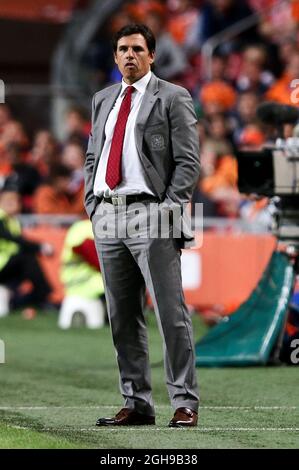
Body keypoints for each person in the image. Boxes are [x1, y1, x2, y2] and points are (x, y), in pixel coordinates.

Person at [84, 23, 200, 427]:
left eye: (137, 49)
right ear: (114, 57)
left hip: (152, 212)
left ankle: (184, 402)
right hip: (108, 214)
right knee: (122, 316)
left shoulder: (173, 96)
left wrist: (168, 208)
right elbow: (92, 157)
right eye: (122, 49)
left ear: (151, 55)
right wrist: (92, 204)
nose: (129, 55)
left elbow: (188, 162)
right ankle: (137, 404)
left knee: (171, 313)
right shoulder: (101, 100)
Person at [0, 183, 53, 312]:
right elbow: (12, 238)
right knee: (27, 260)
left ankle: (38, 298)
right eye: (9, 200)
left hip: (7, 263)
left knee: (29, 260)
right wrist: (39, 247)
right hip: (3, 263)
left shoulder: (13, 220)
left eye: (16, 200)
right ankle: (43, 297)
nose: (13, 203)